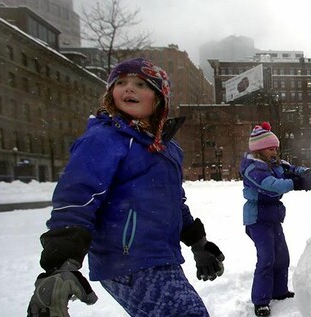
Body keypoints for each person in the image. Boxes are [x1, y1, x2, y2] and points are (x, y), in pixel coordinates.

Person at [27, 57, 225, 317]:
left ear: (159, 100)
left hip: (161, 256)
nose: (129, 88)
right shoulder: (104, 139)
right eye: (121, 82)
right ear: (111, 94)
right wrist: (60, 264)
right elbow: (77, 199)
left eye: (141, 84)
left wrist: (197, 243)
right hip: (127, 259)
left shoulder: (167, 149)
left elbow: (175, 202)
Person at [239, 122, 311, 317]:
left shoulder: (275, 164)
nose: (275, 151)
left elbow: (293, 169)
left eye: (276, 148)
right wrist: (296, 184)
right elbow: (270, 186)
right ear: (259, 149)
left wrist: (308, 173)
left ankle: (279, 291)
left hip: (273, 218)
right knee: (266, 259)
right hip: (257, 220)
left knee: (282, 257)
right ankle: (261, 300)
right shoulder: (252, 168)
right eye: (271, 148)